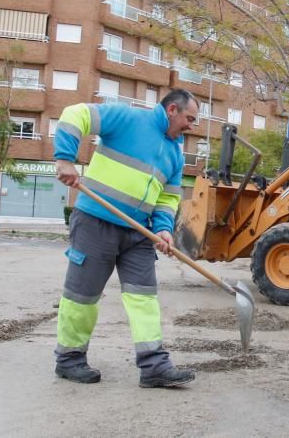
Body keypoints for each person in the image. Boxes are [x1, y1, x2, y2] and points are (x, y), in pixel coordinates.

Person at [52, 89, 199, 388]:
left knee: (144, 298)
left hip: (138, 232)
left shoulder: (175, 155)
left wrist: (163, 228)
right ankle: (69, 359)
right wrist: (65, 158)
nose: (192, 126)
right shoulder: (128, 118)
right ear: (172, 109)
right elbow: (74, 114)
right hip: (96, 222)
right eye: (190, 118)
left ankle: (154, 366)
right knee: (83, 295)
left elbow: (168, 199)